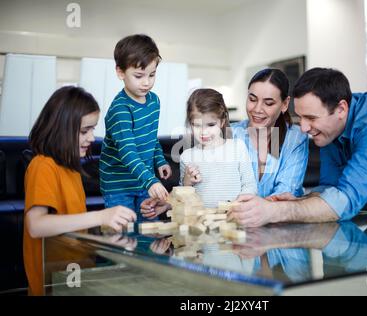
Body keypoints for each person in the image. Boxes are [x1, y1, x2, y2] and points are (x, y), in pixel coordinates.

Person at [230, 67, 367, 227]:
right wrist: (299, 200)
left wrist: (274, 211)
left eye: (311, 118)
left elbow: (345, 200)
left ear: (341, 109)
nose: (304, 128)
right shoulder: (329, 134)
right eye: (300, 118)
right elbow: (330, 190)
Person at [24, 86, 136, 295]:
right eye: (85, 131)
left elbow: (71, 225)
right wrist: (100, 216)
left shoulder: (70, 168)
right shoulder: (43, 166)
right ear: (61, 129)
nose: (92, 138)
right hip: (51, 285)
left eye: (93, 129)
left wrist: (101, 241)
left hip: (72, 278)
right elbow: (36, 225)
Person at [100, 34, 172, 219]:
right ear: (120, 72)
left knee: (148, 230)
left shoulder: (154, 101)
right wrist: (150, 181)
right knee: (123, 236)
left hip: (143, 181)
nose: (147, 82)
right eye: (139, 76)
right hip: (118, 186)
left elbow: (150, 137)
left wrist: (159, 160)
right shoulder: (120, 110)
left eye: (152, 74)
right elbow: (127, 152)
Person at [231, 68, 309, 198]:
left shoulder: (295, 138)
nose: (257, 109)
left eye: (268, 103)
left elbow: (286, 191)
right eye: (252, 99)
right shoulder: (230, 134)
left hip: (278, 217)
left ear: (284, 104)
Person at [180, 88, 257, 208]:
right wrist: (187, 183)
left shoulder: (238, 147)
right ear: (190, 123)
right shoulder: (187, 156)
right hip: (201, 221)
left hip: (234, 216)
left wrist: (239, 205)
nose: (203, 132)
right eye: (196, 125)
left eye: (210, 125)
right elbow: (181, 199)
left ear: (221, 122)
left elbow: (249, 185)